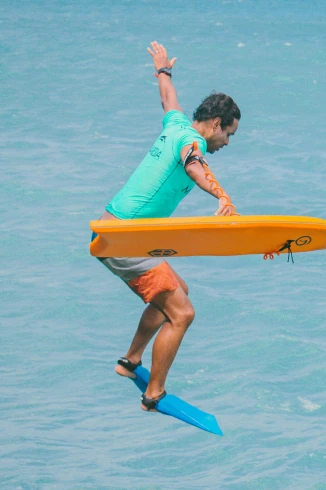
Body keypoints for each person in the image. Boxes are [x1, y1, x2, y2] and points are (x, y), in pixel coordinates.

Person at [93, 41, 241, 412]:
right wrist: (220, 195)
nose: (227, 142)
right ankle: (153, 393)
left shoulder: (177, 124)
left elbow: (168, 99)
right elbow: (194, 163)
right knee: (183, 312)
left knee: (179, 290)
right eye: (229, 134)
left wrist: (163, 70)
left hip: (120, 233)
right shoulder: (193, 142)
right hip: (123, 239)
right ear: (216, 124)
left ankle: (130, 362)